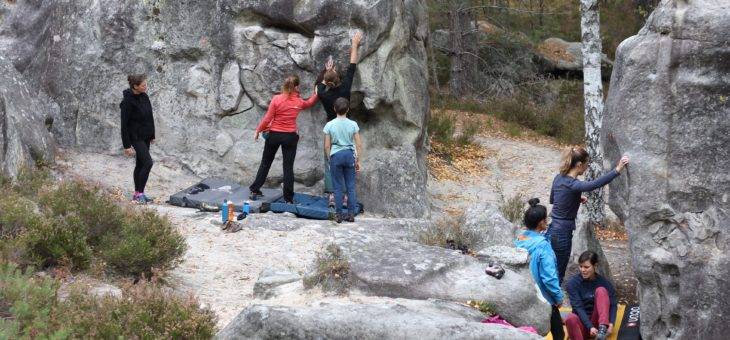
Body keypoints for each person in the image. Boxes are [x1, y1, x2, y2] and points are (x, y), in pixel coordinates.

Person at [548, 147, 629, 283]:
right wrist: (617, 170)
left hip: (552, 229)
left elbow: (553, 200)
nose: (587, 167)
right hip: (562, 233)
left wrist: (575, 198)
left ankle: (549, 299)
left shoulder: (558, 178)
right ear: (579, 165)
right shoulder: (574, 184)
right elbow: (594, 184)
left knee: (551, 266)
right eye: (586, 164)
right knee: (558, 271)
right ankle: (553, 302)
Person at [249, 75, 318, 203]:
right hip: (290, 137)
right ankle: (288, 199)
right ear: (296, 87)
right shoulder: (299, 102)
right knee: (288, 167)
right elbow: (309, 103)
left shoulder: (276, 99)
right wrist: (316, 93)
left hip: (274, 135)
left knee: (265, 163)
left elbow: (267, 119)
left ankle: (254, 189)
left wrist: (258, 130)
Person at [315, 31, 363, 207]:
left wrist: (326, 72)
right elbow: (352, 65)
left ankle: (332, 195)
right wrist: (355, 44)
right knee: (347, 159)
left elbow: (318, 88)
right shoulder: (345, 89)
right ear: (338, 78)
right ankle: (344, 196)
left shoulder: (323, 95)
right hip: (346, 126)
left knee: (331, 162)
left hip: (331, 127)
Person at [515, 198, 565, 340]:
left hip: (525, 292)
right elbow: (549, 277)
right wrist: (558, 297)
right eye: (545, 219)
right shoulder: (543, 246)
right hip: (544, 296)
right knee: (558, 334)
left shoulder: (520, 239)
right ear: (541, 223)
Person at [323, 98, 362, 223]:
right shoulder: (353, 124)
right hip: (349, 155)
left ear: (334, 109)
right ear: (348, 109)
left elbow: (327, 146)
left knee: (337, 187)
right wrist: (357, 160)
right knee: (350, 186)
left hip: (336, 155)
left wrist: (330, 159)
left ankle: (338, 215)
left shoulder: (329, 125)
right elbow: (359, 145)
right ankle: (351, 214)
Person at [564, 251, 618, 340]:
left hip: (598, 324)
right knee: (570, 318)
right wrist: (590, 327)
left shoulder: (603, 282)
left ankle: (603, 329)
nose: (582, 270)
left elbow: (613, 304)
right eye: (580, 266)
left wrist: (611, 323)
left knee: (601, 290)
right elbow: (578, 308)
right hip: (583, 325)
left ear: (595, 266)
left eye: (586, 267)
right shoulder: (572, 284)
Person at [120, 74, 155, 203]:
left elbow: (149, 116)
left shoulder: (144, 97)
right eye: (143, 85)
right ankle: (140, 193)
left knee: (140, 164)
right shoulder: (127, 102)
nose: (145, 87)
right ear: (135, 86)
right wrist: (127, 146)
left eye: (145, 84)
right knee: (148, 163)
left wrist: (152, 135)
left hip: (145, 136)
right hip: (135, 137)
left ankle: (138, 193)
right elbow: (124, 125)